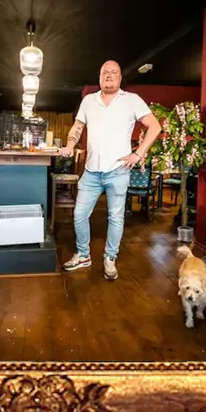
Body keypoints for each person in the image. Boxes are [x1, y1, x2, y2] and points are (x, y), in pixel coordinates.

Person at [58, 60, 162, 280]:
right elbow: (78, 127)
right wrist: (69, 144)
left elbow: (155, 126)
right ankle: (83, 255)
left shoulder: (132, 100)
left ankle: (110, 258)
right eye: (105, 72)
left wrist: (138, 154)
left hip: (118, 171)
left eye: (114, 72)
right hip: (91, 172)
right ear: (99, 77)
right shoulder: (89, 100)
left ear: (120, 78)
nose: (109, 75)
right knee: (79, 214)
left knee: (115, 217)